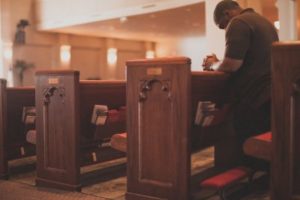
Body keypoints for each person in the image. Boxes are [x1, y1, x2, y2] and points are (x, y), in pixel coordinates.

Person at [202, 0, 278, 139]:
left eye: (222, 26)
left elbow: (232, 64)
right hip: (271, 95)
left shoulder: (238, 22)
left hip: (254, 98)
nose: (225, 30)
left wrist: (212, 65)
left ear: (227, 14)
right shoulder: (265, 22)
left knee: (248, 147)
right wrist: (220, 62)